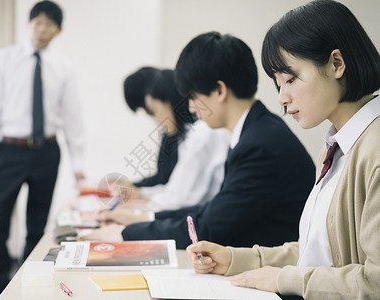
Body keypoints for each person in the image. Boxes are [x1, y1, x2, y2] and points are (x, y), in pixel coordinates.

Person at [186, 1, 380, 299]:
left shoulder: (374, 149)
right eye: (278, 84)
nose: (282, 98)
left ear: (337, 64)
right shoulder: (336, 146)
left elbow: (375, 282)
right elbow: (320, 251)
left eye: (290, 79)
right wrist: (235, 259)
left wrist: (284, 280)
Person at [82, 32, 316, 250]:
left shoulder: (260, 145)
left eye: (193, 97)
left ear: (219, 91)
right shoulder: (256, 131)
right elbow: (211, 212)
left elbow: (207, 228)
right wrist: (140, 220)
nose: (191, 107)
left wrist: (125, 233)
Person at [0, 1, 85, 297]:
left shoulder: (63, 67)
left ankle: (26, 284)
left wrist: (79, 166)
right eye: (38, 22)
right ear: (30, 24)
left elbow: (72, 118)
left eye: (49, 24)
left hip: (47, 152)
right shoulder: (3, 60)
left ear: (58, 30)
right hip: (10, 150)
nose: (42, 29)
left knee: (37, 227)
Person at [125, 68, 230, 210]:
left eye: (155, 111)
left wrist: (136, 209)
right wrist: (141, 193)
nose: (156, 120)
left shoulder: (202, 133)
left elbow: (179, 199)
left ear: (170, 102)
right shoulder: (187, 136)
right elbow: (175, 188)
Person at [123, 66, 179, 188]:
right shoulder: (171, 133)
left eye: (153, 110)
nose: (156, 119)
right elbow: (163, 176)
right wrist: (132, 185)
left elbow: (168, 180)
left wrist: (136, 188)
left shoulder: (197, 134)